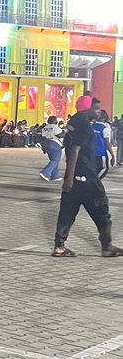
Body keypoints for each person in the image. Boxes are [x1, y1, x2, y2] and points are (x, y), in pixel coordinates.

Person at [52, 94, 123, 259]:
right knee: (102, 210)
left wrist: (69, 177)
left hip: (75, 177)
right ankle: (107, 247)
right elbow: (75, 150)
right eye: (96, 109)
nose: (99, 112)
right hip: (86, 177)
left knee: (67, 212)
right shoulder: (84, 126)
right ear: (87, 109)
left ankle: (59, 247)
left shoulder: (73, 122)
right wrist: (69, 177)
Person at [39, 115, 63, 182]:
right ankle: (45, 172)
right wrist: (64, 132)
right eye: (56, 120)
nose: (56, 121)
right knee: (55, 160)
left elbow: (43, 137)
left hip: (46, 143)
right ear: (54, 121)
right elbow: (59, 135)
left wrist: (43, 147)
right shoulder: (55, 127)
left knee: (53, 160)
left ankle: (55, 176)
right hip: (55, 144)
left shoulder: (45, 127)